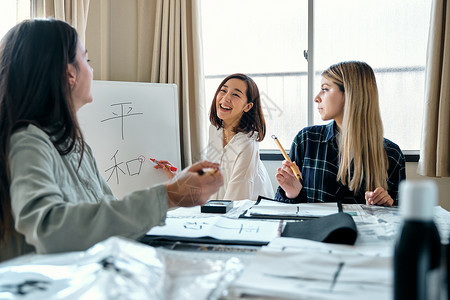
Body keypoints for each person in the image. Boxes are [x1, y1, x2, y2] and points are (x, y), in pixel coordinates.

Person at [0, 19, 223, 263]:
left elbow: (105, 218)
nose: (91, 70)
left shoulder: (74, 145)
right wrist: (168, 195)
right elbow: (49, 230)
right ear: (70, 73)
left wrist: (174, 190)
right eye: (87, 60)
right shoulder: (27, 141)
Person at [275, 61, 406, 206]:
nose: (316, 98)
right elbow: (281, 208)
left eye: (325, 89)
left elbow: (400, 217)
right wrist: (292, 194)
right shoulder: (306, 140)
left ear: (350, 94)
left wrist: (386, 206)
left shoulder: (391, 154)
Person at [206, 73, 273, 201]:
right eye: (223, 91)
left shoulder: (247, 145)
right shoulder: (214, 130)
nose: (225, 98)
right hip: (221, 209)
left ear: (247, 106)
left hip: (248, 214)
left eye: (235, 94)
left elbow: (236, 202)